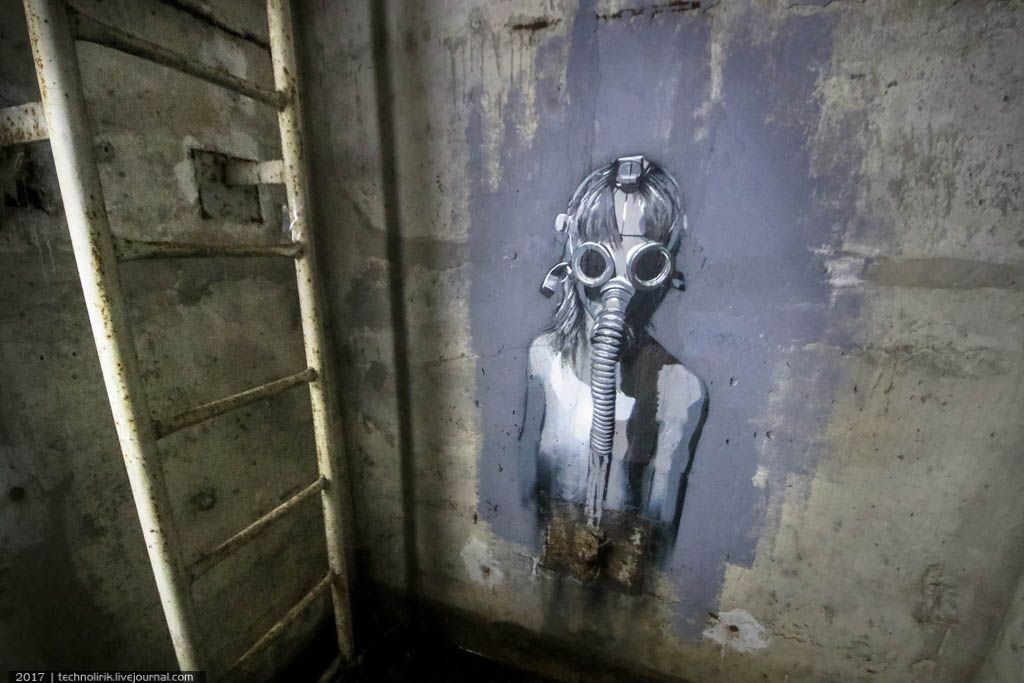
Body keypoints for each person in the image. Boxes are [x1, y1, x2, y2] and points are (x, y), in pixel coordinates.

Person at [519, 156, 708, 576]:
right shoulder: (543, 360)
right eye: (598, 259)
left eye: (644, 264)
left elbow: (658, 533)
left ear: (665, 272)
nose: (617, 285)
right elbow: (528, 492)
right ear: (574, 259)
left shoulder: (681, 391)